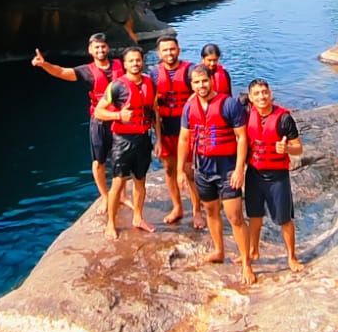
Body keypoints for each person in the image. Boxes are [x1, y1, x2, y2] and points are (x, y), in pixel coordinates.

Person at [178, 65, 254, 285]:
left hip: (226, 167)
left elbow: (242, 137)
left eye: (204, 81)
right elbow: (184, 139)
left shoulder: (229, 104)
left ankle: (246, 263)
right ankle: (219, 250)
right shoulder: (189, 107)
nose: (201, 85)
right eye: (196, 82)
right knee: (211, 211)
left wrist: (239, 169)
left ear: (211, 80)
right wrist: (181, 170)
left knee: (235, 216)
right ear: (191, 85)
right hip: (203, 168)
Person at [31, 34, 122, 204]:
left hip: (121, 119)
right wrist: (44, 64)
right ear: (90, 50)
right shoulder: (86, 71)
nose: (100, 50)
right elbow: (61, 71)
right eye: (96, 47)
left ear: (108, 48)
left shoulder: (120, 65)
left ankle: (121, 195)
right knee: (99, 161)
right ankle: (105, 196)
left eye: (103, 46)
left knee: (121, 159)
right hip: (100, 122)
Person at [93, 47, 158, 240]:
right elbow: (98, 111)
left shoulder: (149, 82)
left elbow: (154, 112)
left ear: (142, 61)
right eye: (131, 61)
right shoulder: (116, 86)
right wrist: (119, 115)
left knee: (140, 180)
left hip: (143, 138)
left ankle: (138, 217)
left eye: (138, 60)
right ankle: (111, 223)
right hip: (123, 141)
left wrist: (159, 140)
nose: (135, 64)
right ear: (125, 64)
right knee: (118, 182)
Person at [243, 79, 304, 272]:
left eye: (265, 92)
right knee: (254, 216)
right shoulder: (246, 113)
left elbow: (299, 148)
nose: (262, 96)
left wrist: (286, 149)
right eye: (257, 93)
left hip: (278, 176)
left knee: (284, 219)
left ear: (270, 94)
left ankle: (291, 257)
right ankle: (253, 251)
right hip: (254, 173)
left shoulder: (284, 119)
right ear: (250, 97)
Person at [149, 36, 196, 227]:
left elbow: (202, 91)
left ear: (178, 50)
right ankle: (177, 207)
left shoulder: (190, 70)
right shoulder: (153, 74)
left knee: (189, 171)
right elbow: (153, 109)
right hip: (165, 127)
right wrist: (158, 140)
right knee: (169, 169)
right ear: (159, 53)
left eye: (172, 49)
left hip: (187, 128)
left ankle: (197, 210)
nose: (169, 53)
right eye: (165, 50)